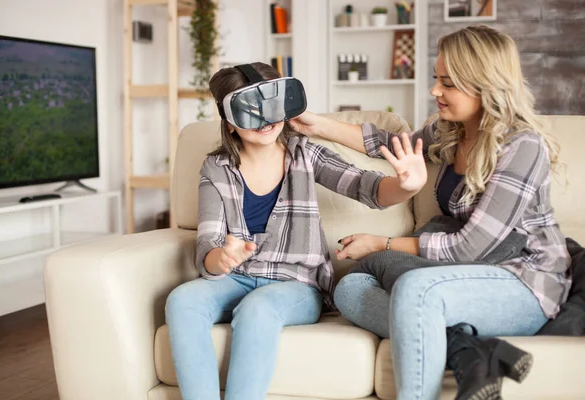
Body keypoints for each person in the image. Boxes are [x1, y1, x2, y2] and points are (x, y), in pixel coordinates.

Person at [289, 25, 571, 400]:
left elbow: (469, 249)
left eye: (449, 83)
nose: (435, 91)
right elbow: (389, 144)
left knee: (412, 288)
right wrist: (317, 123)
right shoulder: (453, 131)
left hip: (522, 281)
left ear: (485, 84)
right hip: (460, 277)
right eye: (437, 79)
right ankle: (466, 349)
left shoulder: (523, 146)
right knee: (351, 287)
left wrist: (381, 244)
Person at [164, 62, 428, 400]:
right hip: (237, 278)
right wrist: (223, 258)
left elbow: (367, 188)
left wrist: (406, 186)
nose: (266, 119)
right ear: (230, 122)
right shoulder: (216, 168)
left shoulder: (305, 153)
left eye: (273, 106)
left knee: (259, 306)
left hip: (296, 285)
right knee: (182, 300)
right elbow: (208, 250)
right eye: (251, 110)